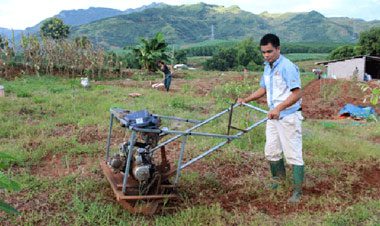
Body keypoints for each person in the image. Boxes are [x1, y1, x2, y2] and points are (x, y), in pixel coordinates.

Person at [237, 34, 304, 203]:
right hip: (273, 116)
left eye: (269, 51)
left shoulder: (287, 67)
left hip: (288, 116)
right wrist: (246, 100)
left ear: (278, 49)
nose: (266, 55)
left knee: (293, 154)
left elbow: (298, 93)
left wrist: (279, 108)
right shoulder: (268, 67)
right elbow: (263, 88)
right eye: (263, 52)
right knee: (271, 151)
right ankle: (278, 181)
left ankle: (298, 191)